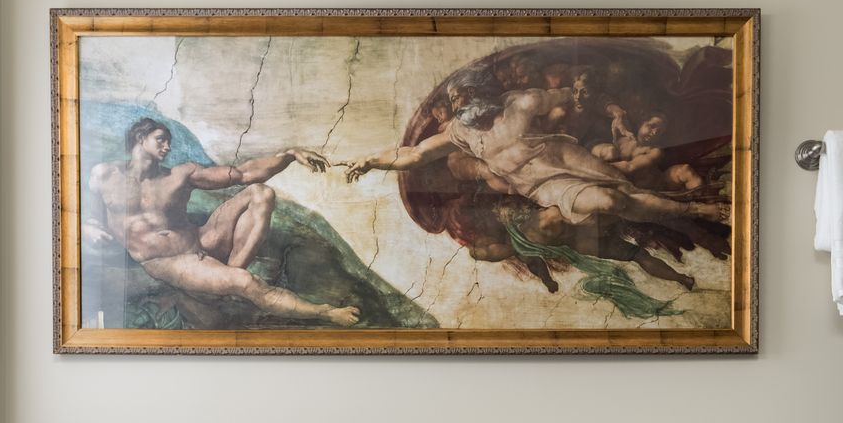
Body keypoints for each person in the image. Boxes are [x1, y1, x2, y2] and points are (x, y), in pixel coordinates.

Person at [339, 70, 726, 227]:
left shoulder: (519, 103)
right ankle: (691, 208)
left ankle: (697, 209)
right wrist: (371, 160)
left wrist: (605, 108)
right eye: (457, 100)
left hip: (560, 154)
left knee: (626, 187)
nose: (459, 105)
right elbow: (415, 154)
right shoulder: (459, 132)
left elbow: (575, 97)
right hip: (538, 185)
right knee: (612, 203)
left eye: (463, 96)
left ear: (479, 93)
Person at [86, 118, 359, 327]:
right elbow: (84, 210)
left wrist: (288, 155)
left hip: (201, 241)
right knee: (244, 281)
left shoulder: (180, 175)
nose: (167, 147)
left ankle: (227, 277)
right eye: (160, 140)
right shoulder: (105, 175)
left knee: (260, 192)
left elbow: (242, 173)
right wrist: (88, 226)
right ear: (140, 137)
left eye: (168, 141)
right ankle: (326, 312)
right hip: (168, 261)